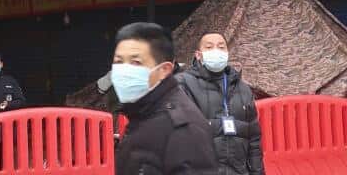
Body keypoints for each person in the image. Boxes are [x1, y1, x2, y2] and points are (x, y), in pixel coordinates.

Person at [112, 22, 218, 175]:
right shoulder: (140, 113)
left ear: (164, 70)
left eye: (136, 62)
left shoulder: (184, 129)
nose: (124, 70)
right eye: (119, 61)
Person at [175, 33, 264, 175]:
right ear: (198, 55)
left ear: (227, 53)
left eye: (221, 47)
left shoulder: (242, 88)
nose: (216, 50)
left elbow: (253, 139)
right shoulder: (183, 84)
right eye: (209, 47)